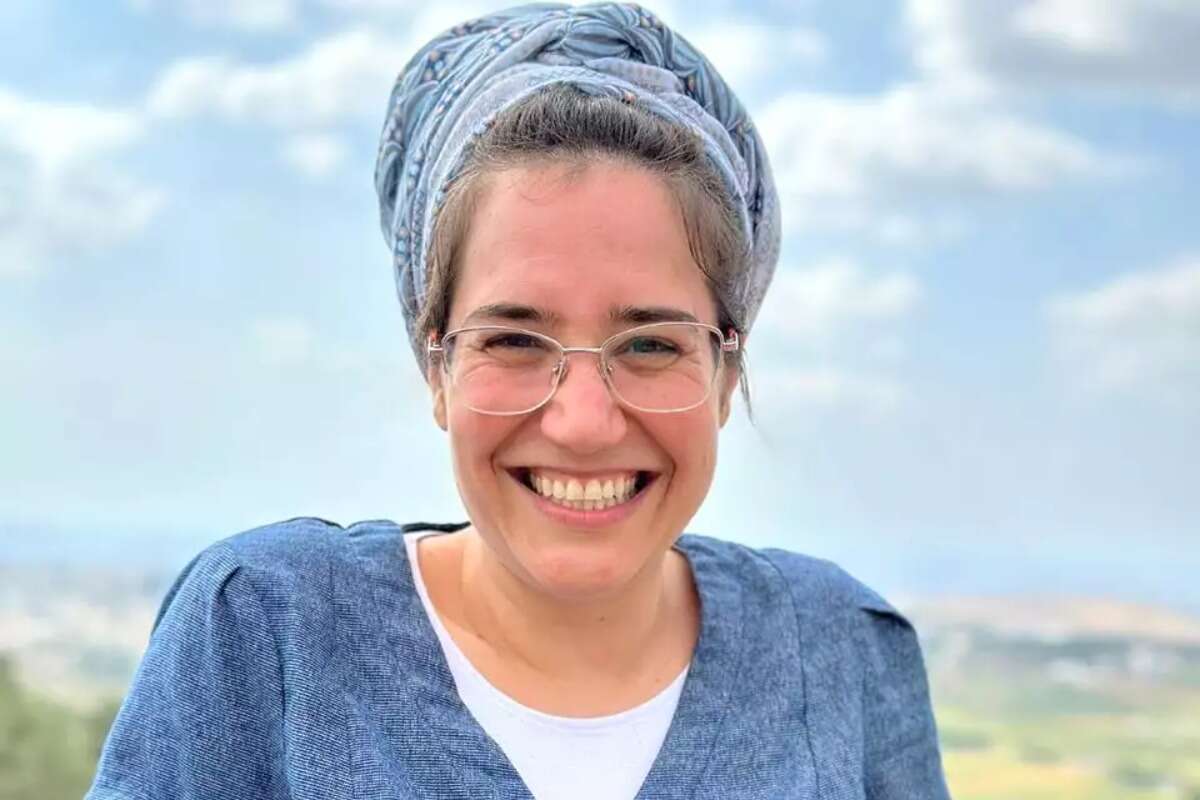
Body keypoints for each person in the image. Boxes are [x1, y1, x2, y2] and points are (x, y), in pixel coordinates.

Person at [86, 4, 950, 799]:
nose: (583, 422)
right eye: (513, 340)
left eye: (651, 345)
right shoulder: (266, 637)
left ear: (726, 373)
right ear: (437, 367)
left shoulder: (843, 653)